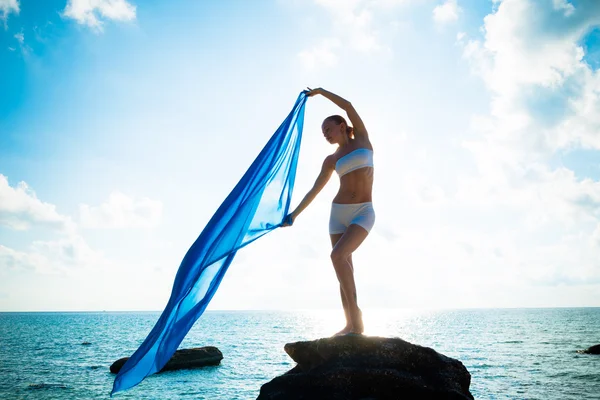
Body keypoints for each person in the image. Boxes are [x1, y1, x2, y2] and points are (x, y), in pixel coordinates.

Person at [283, 87, 375, 336]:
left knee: (337, 256)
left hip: (363, 212)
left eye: (328, 129)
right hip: (338, 214)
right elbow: (315, 189)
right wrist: (294, 215)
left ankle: (357, 319)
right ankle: (350, 324)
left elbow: (348, 104)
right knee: (343, 268)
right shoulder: (331, 160)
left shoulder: (363, 139)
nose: (325, 133)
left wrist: (321, 92)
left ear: (343, 126)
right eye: (323, 132)